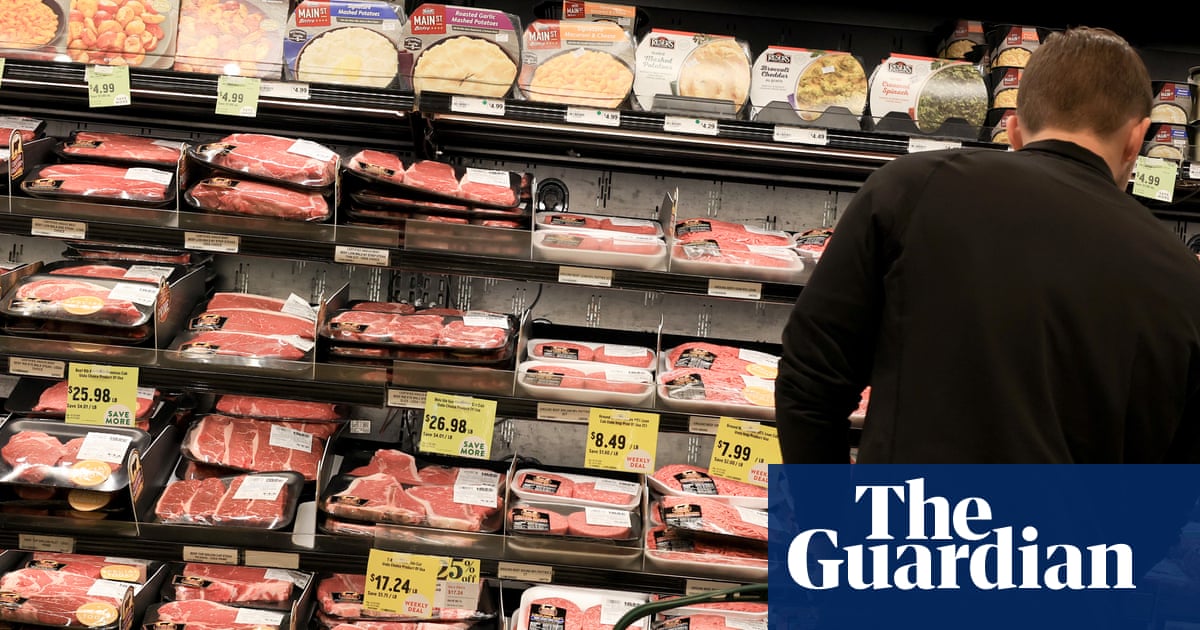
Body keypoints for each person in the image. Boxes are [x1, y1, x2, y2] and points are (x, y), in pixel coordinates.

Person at [774, 26, 1200, 464]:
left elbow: (808, 384)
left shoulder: (911, 189)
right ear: (1136, 138)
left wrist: (830, 507)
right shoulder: (1185, 279)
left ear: (1013, 130)